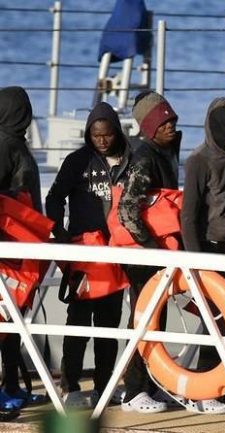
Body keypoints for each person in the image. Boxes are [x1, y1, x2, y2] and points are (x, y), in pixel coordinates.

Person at [46, 101, 131, 409]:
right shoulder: (77, 161)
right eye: (96, 135)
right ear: (88, 134)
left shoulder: (129, 159)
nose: (102, 140)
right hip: (84, 254)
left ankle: (104, 387)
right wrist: (59, 231)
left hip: (116, 253)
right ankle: (70, 386)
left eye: (107, 134)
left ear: (116, 132)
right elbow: (54, 197)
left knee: (109, 324)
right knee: (79, 322)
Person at [180, 96, 225, 414]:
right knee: (213, 321)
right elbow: (188, 215)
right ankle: (203, 392)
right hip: (206, 248)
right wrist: (197, 262)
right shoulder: (198, 161)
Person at [118, 90, 181, 413]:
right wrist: (150, 246)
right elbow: (127, 208)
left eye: (172, 120)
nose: (171, 125)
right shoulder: (145, 157)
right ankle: (133, 390)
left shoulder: (166, 151)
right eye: (163, 122)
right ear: (149, 127)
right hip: (145, 254)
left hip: (160, 251)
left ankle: (151, 385)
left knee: (158, 318)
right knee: (142, 319)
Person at [0, 86, 45, 420]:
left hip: (23, 246)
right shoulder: (5, 145)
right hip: (10, 248)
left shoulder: (15, 142)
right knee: (5, 320)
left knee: (13, 321)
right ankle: (9, 387)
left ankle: (13, 384)